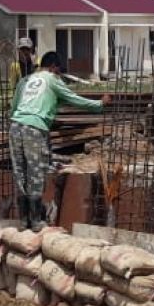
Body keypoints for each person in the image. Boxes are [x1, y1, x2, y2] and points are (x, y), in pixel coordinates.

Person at [10, 51, 110, 230]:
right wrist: (99, 105)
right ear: (54, 67)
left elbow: (14, 108)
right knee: (36, 173)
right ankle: (35, 221)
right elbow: (73, 99)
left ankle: (23, 220)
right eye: (58, 70)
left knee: (20, 172)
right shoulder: (52, 79)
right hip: (34, 128)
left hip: (16, 126)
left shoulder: (24, 81)